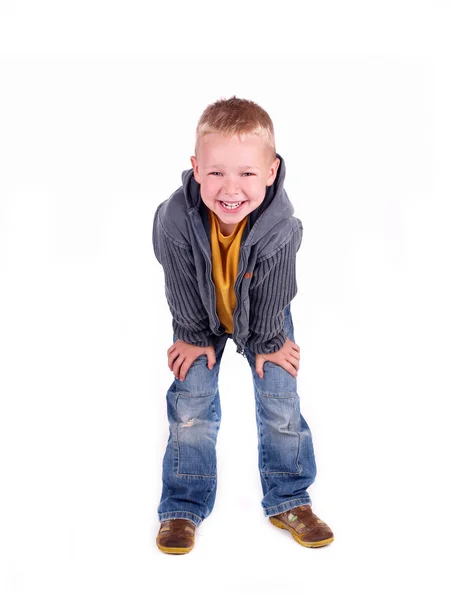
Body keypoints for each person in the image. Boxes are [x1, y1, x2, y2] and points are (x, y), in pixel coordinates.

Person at [152, 96, 334, 554]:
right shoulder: (174, 218)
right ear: (196, 169)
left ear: (270, 171)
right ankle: (182, 505)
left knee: (280, 400)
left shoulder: (281, 228)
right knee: (190, 401)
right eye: (216, 172)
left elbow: (277, 291)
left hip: (264, 317)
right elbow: (176, 277)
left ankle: (289, 498)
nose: (230, 188)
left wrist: (271, 343)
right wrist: (194, 336)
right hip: (200, 312)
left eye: (247, 173)